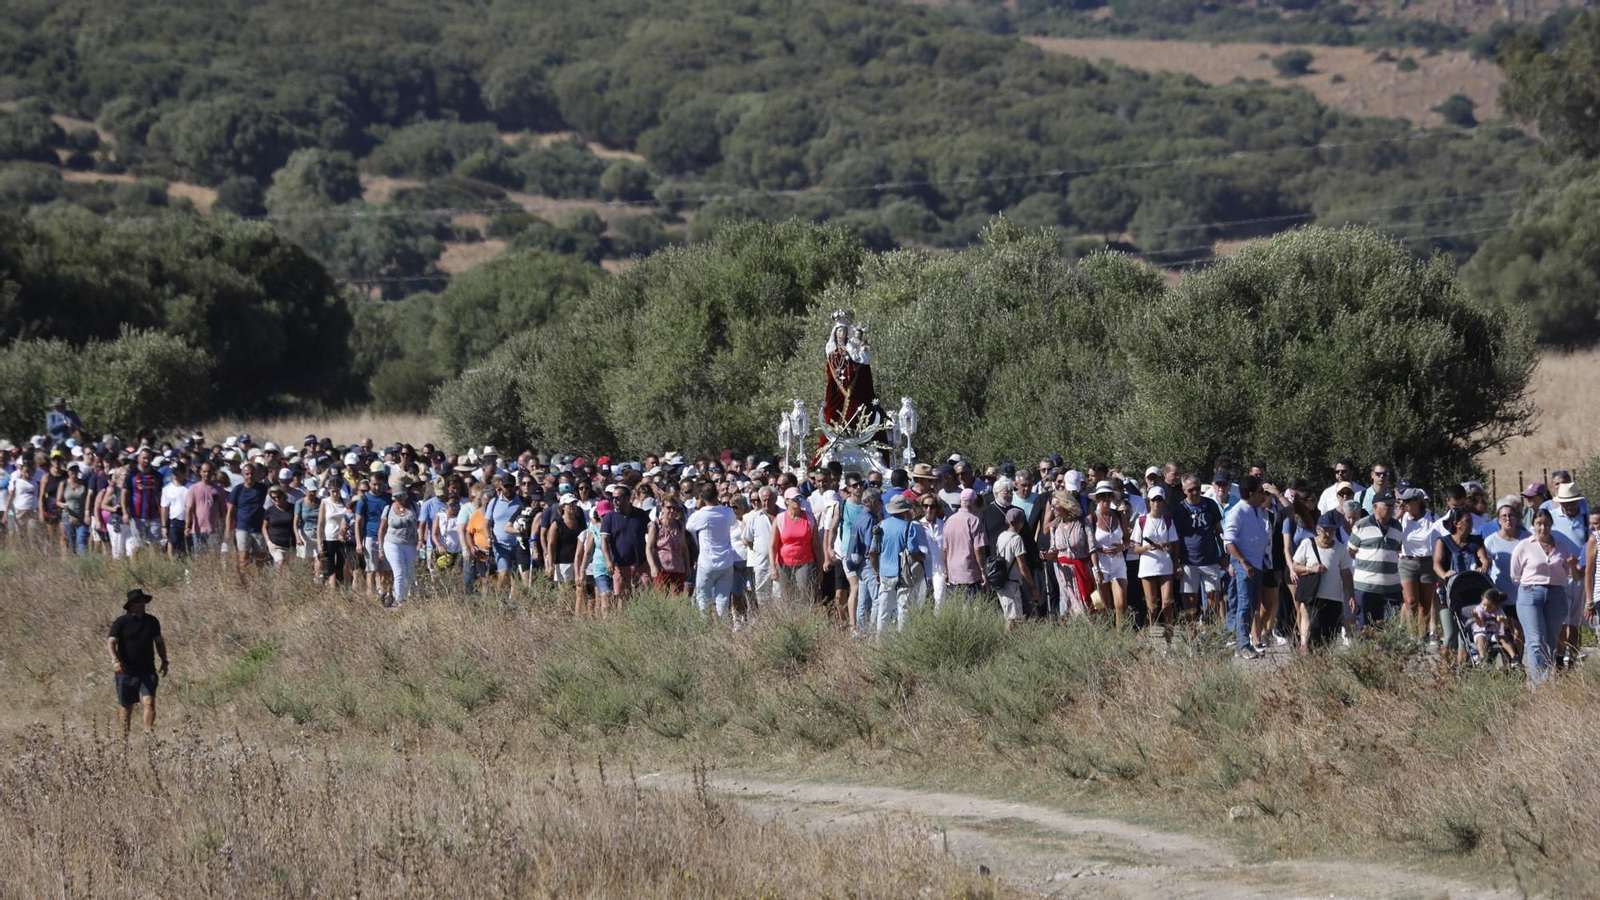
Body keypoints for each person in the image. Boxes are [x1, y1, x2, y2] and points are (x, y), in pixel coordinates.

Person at [1510, 509, 1581, 684]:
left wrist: (1572, 566)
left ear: (1551, 525)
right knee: (1535, 640)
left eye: (1547, 524)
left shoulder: (1561, 546)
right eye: (1539, 524)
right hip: (1531, 593)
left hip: (1556, 594)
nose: (1543, 528)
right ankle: (1538, 684)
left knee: (1550, 641)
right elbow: (1514, 575)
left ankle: (1546, 680)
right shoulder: (1524, 546)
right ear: (1533, 525)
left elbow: (1573, 576)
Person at [1432, 508, 1491, 667]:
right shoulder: (1443, 541)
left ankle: (1462, 671)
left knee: (1465, 637)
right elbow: (1436, 564)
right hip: (1448, 592)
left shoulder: (1476, 541)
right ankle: (1446, 670)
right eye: (1467, 521)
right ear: (1456, 524)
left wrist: (1483, 568)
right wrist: (1445, 574)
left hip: (1470, 593)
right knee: (1450, 634)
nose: (1471, 524)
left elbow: (1484, 560)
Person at [1223, 476, 1272, 658]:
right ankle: (1242, 644)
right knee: (1244, 604)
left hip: (1257, 563)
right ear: (1251, 494)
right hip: (1244, 564)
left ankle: (1248, 641)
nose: (1263, 495)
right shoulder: (1237, 512)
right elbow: (1229, 542)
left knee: (1252, 604)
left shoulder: (1257, 510)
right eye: (1260, 492)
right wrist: (1243, 562)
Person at [107, 588, 167, 735]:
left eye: (143, 602)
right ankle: (124, 738)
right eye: (138, 602)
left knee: (149, 702)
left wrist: (164, 660)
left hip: (147, 670)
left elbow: (159, 642)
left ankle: (148, 735)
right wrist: (115, 660)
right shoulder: (121, 622)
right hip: (126, 671)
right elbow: (111, 642)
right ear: (131, 605)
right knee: (127, 707)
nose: (142, 605)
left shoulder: (152, 621)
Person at [1291, 520, 1354, 650]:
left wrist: (1351, 595)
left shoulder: (1340, 548)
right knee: (1315, 631)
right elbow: (1295, 566)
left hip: (1335, 597)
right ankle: (1311, 657)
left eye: (1331, 531)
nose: (1327, 535)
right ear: (1318, 531)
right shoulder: (1308, 544)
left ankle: (1324, 663)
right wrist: (1311, 569)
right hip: (1314, 595)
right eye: (1324, 531)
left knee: (1330, 634)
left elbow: (1346, 574)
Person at [1547, 483, 1590, 667]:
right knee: (1561, 621)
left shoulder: (1586, 517)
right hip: (1560, 574)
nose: (1571, 506)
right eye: (1567, 502)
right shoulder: (1552, 518)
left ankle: (1571, 660)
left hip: (1581, 574)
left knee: (1576, 622)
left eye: (1574, 502)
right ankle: (1558, 659)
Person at [1173, 476, 1225, 624]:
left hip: (1210, 559)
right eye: (1191, 490)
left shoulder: (1210, 505)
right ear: (1184, 490)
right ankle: (1192, 635)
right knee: (1190, 601)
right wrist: (1176, 562)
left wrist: (1223, 553)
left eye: (1197, 488)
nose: (1195, 492)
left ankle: (1208, 630)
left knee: (1214, 600)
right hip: (1188, 560)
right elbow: (1175, 538)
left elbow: (1218, 530)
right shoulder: (1179, 509)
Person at [1348, 491, 1403, 628]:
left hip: (1391, 589)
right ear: (1375, 507)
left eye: (1392, 505)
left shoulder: (1397, 526)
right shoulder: (1361, 525)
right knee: (1365, 627)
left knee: (1390, 629)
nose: (1391, 509)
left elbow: (1397, 549)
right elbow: (1351, 551)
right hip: (1366, 588)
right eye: (1386, 505)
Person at [686, 484, 741, 620]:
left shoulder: (699, 515)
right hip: (726, 562)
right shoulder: (727, 512)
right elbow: (734, 523)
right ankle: (722, 627)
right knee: (723, 598)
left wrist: (699, 507)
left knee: (704, 598)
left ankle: (705, 626)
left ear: (702, 497)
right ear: (717, 495)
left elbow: (689, 527)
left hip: (707, 563)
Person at [872, 492, 926, 630]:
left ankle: (879, 644)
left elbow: (872, 552)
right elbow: (913, 550)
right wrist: (922, 556)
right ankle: (901, 645)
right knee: (904, 610)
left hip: (884, 573)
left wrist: (876, 571)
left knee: (883, 611)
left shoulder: (881, 526)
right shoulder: (909, 526)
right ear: (905, 510)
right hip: (902, 574)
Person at [1131, 487, 1178, 640]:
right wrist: (1146, 547)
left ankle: (1169, 638)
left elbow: (1173, 547)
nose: (1156, 503)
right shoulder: (1142, 521)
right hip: (1148, 567)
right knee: (1152, 605)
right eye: (1153, 500)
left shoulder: (1169, 521)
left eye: (1159, 500)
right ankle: (1147, 634)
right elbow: (1135, 548)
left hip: (1165, 566)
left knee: (1167, 603)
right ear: (1149, 502)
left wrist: (1166, 545)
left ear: (1163, 502)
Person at [1396, 488, 1439, 643]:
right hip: (1407, 562)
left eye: (1409, 501)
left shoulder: (1433, 518)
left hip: (1427, 562)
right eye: (1403, 501)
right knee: (1411, 600)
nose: (1405, 504)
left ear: (1419, 502)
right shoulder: (1401, 519)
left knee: (1425, 605)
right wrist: (1397, 517)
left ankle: (1421, 636)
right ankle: (1411, 634)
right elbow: (1392, 535)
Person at [771, 487, 822, 605]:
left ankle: (803, 619)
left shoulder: (809, 518)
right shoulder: (780, 519)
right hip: (784, 563)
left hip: (805, 562)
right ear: (787, 501)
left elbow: (816, 545)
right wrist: (773, 567)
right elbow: (773, 545)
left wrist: (819, 566)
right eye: (794, 499)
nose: (798, 501)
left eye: (799, 498)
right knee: (787, 596)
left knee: (805, 594)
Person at [1089, 481, 1130, 626]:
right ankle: (1107, 637)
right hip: (1100, 563)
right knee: (1103, 607)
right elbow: (1089, 545)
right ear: (1098, 498)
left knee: (1120, 604)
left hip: (1118, 562)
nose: (1105, 498)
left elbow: (1127, 540)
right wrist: (1100, 551)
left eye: (1108, 495)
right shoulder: (1091, 518)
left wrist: (1121, 547)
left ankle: (1120, 637)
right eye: (1102, 496)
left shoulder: (1119, 516)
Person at [600, 485, 651, 601]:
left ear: (628, 498)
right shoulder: (609, 518)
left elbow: (652, 534)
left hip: (641, 564)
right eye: (613, 498)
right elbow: (604, 540)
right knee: (621, 598)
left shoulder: (641, 515)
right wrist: (608, 560)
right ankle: (622, 619)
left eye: (618, 498)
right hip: (620, 565)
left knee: (645, 596)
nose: (614, 501)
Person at [377, 478, 423, 607]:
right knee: (399, 571)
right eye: (397, 496)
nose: (400, 499)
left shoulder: (414, 507)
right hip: (393, 543)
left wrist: (420, 540)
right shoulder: (388, 509)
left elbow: (420, 525)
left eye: (402, 495)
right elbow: (381, 530)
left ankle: (413, 598)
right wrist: (380, 548)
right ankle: (400, 600)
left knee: (411, 573)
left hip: (410, 543)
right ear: (393, 497)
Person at [226, 463, 271, 575]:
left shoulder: (263, 489)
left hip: (258, 528)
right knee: (243, 555)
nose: (249, 476)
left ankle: (258, 579)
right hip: (242, 527)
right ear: (243, 475)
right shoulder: (238, 490)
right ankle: (243, 579)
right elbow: (230, 511)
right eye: (247, 474)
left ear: (256, 474)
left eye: (252, 473)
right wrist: (228, 529)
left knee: (261, 557)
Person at [993, 507, 1033, 630]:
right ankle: (1008, 645)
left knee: (1010, 617)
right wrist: (1032, 586)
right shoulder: (1017, 539)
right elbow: (1022, 566)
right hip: (1011, 583)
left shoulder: (1001, 536)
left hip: (1001, 581)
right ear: (1021, 522)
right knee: (1012, 620)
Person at [943, 488, 987, 598]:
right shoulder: (974, 521)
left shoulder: (949, 520)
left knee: (957, 608)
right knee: (972, 609)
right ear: (974, 502)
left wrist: (946, 570)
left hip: (953, 573)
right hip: (971, 574)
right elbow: (978, 549)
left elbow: (945, 549)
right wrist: (983, 570)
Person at [741, 487, 780, 610]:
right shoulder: (754, 517)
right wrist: (760, 549)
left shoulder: (784, 515)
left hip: (780, 564)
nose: (765, 503)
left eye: (768, 500)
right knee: (763, 598)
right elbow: (746, 539)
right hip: (762, 564)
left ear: (776, 499)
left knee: (780, 597)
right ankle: (767, 624)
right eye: (763, 500)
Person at [546, 494, 586, 608]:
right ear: (563, 506)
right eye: (570, 504)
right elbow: (551, 544)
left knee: (579, 589)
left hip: (579, 561)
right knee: (564, 592)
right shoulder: (556, 524)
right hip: (563, 562)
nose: (573, 506)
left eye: (574, 503)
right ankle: (563, 615)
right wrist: (550, 564)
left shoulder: (580, 521)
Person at [913, 491, 947, 611]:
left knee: (940, 600)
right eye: (925, 506)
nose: (929, 509)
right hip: (923, 569)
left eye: (932, 506)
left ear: (937, 508)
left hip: (940, 569)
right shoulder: (916, 525)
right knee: (920, 602)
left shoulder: (943, 525)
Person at [184, 461, 227, 556]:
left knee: (213, 556)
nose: (206, 474)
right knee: (199, 556)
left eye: (209, 471)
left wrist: (223, 528)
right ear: (200, 472)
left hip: (213, 530)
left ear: (213, 473)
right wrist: (187, 526)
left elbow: (222, 511)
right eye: (204, 471)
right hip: (198, 529)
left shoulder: (219, 490)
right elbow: (189, 509)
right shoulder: (193, 489)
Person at [1469, 589, 1518, 667]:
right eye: (1484, 604)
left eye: (1490, 607)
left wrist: (1503, 620)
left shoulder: (1499, 610)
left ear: (1496, 606)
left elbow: (1505, 626)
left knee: (1503, 638)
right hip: (1481, 631)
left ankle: (1514, 657)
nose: (1485, 608)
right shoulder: (1479, 609)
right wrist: (1476, 616)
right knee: (1481, 638)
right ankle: (1482, 658)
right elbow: (1480, 624)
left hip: (1495, 632)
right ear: (1482, 599)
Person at [317, 481, 350, 586]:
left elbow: (349, 518)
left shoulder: (345, 502)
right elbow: (320, 524)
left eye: (337, 491)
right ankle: (331, 591)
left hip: (342, 537)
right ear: (329, 491)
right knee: (330, 565)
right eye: (333, 491)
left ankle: (340, 587)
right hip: (329, 537)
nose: (335, 494)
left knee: (341, 564)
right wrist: (319, 542)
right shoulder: (325, 502)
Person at [57, 464, 90, 555]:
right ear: (68, 472)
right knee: (71, 541)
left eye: (75, 470)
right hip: (68, 516)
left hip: (81, 516)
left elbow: (88, 498)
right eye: (71, 470)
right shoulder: (64, 484)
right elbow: (58, 501)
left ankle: (83, 561)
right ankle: (73, 559)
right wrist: (63, 505)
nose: (73, 472)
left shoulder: (84, 484)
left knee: (81, 539)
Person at [261, 485, 298, 566]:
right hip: (275, 543)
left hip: (290, 544)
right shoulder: (270, 510)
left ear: (283, 496)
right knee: (280, 563)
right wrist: (268, 542)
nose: (276, 499)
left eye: (278, 496)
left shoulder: (292, 508)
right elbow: (264, 527)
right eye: (274, 497)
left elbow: (297, 523)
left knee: (289, 568)